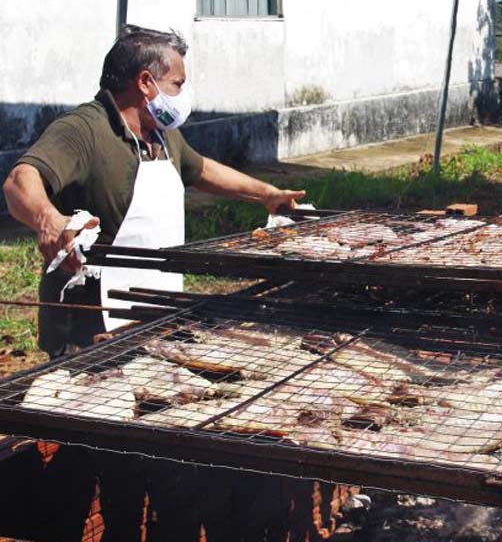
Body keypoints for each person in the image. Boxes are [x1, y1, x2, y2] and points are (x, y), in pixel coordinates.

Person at [3, 25, 306, 357]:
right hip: (91, 325)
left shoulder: (161, 133)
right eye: (177, 84)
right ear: (145, 82)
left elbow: (201, 168)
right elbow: (21, 179)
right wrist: (48, 219)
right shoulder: (84, 129)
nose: (182, 95)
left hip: (157, 310)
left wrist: (266, 193)